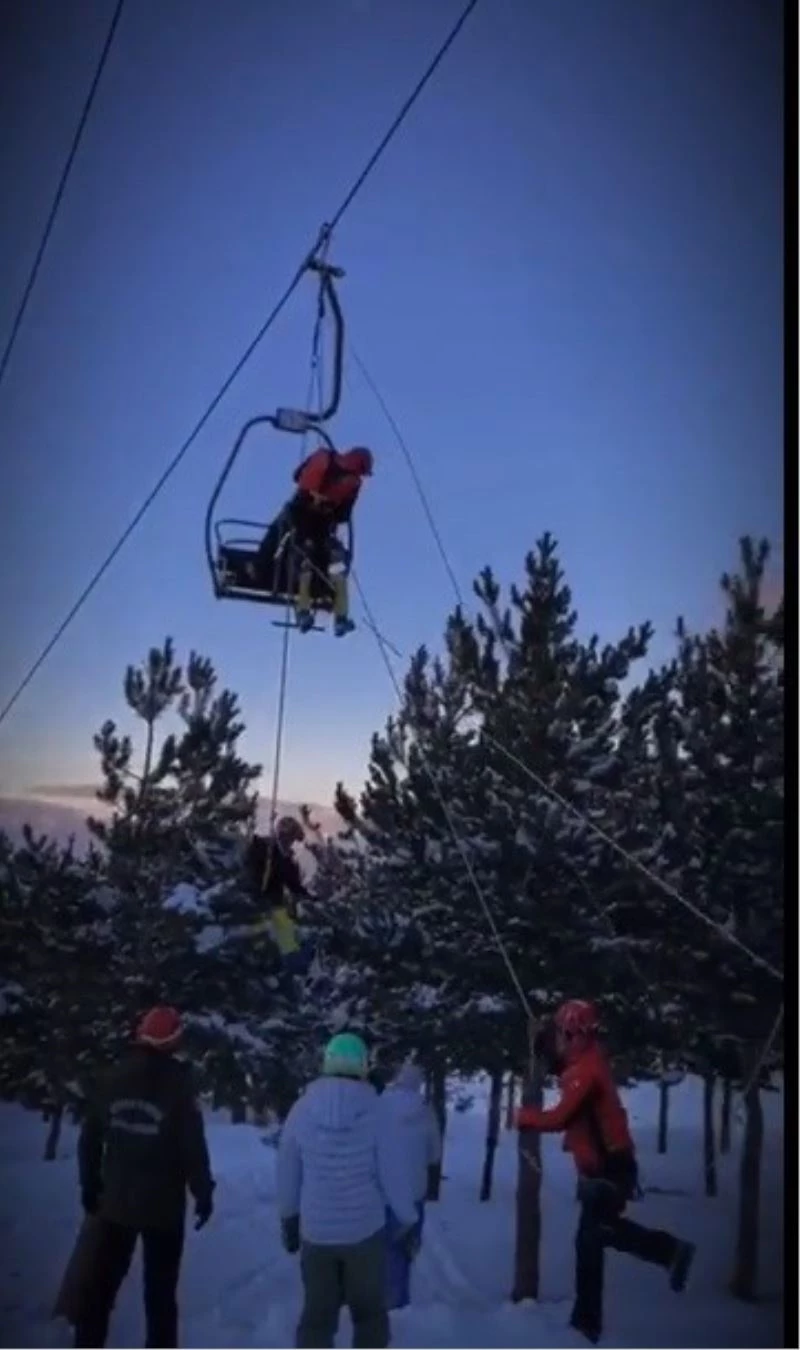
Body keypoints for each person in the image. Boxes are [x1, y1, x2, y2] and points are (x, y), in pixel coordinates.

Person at [517, 999, 695, 1346]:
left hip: (610, 1166)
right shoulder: (581, 1061)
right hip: (598, 1167)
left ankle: (669, 1252)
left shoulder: (587, 1072)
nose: (564, 1040)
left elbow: (560, 1118)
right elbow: (560, 1065)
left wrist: (524, 1117)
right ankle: (587, 1323)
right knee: (590, 1241)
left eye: (566, 1034)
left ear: (580, 1035)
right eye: (561, 1034)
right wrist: (540, 1044)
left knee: (598, 1233)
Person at [74, 1006, 215, 1348]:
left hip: (115, 1203)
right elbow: (192, 1147)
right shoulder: (180, 1086)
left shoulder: (113, 1078)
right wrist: (203, 1193)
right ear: (173, 1039)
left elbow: (90, 1137)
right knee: (160, 1296)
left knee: (100, 1292)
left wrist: (90, 1184)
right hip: (163, 1210)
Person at [276, 1032, 418, 1349]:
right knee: (369, 1316)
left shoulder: (302, 1109)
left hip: (316, 1234)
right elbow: (393, 1172)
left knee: (317, 1317)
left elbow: (287, 1169)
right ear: (363, 1066)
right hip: (365, 1234)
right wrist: (407, 1219)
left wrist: (289, 1217)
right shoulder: (378, 1110)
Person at [256, 446, 373, 636]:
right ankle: (303, 609)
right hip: (300, 516)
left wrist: (329, 508)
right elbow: (302, 487)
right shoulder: (324, 462)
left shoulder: (348, 482)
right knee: (304, 556)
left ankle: (338, 615)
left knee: (335, 562)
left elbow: (343, 514)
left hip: (322, 522)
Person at [377, 1062, 442, 1310]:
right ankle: (399, 1304)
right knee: (404, 1250)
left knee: (380, 1249)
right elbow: (435, 1154)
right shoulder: (425, 1110)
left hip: (383, 1192)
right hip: (414, 1192)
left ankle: (377, 1301)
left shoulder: (379, 1106)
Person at [244, 817, 315, 976]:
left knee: (289, 941)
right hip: (253, 904)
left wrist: (312, 901)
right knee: (260, 943)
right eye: (287, 838)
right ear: (280, 834)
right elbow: (249, 867)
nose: (289, 843)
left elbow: (295, 886)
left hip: (274, 906)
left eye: (292, 840)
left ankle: (292, 973)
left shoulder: (288, 861)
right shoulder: (262, 847)